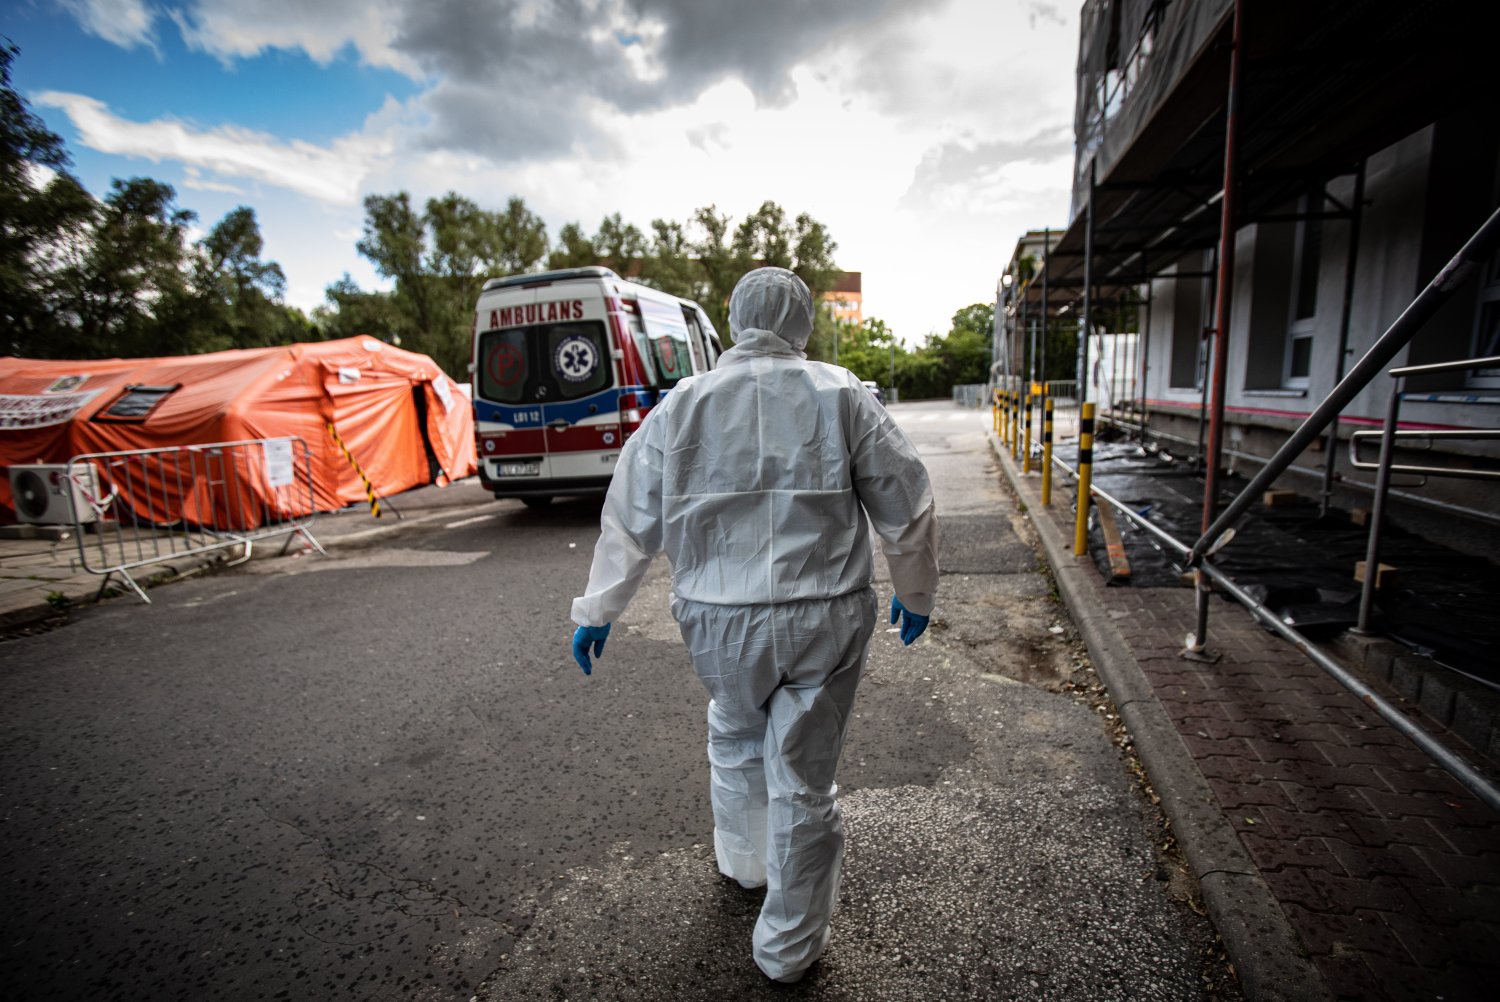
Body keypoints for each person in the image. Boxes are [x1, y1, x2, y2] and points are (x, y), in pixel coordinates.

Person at [568, 266, 939, 983]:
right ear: (800, 322)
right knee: (802, 773)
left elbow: (629, 516)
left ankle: (745, 864)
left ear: (736, 319)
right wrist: (916, 591)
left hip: (717, 618)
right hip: (823, 611)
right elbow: (906, 499)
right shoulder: (841, 394)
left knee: (735, 733)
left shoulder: (685, 403)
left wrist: (598, 610)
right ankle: (788, 949)